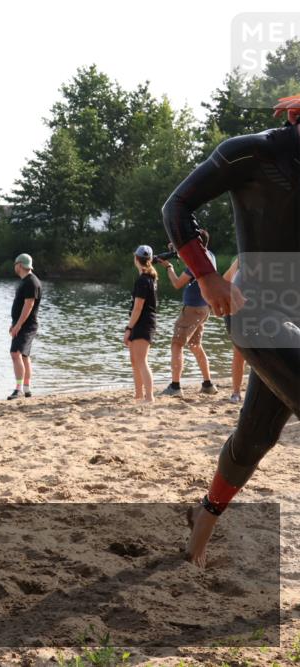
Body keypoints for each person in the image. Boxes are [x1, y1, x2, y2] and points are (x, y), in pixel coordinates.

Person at [162, 95, 299, 567]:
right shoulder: (251, 152)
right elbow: (177, 206)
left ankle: (203, 519)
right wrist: (207, 275)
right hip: (255, 311)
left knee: (253, 439)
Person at [157, 231, 218, 398]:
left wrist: (169, 267)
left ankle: (175, 387)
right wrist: (177, 251)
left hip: (192, 309)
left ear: (197, 243)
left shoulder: (197, 260)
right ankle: (208, 384)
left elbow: (177, 283)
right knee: (195, 345)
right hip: (204, 308)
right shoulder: (209, 255)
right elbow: (192, 267)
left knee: (177, 344)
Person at [125, 245, 158, 403]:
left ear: (136, 259)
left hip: (143, 323)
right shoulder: (148, 278)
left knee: (141, 360)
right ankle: (138, 395)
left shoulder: (144, 280)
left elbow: (138, 307)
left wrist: (129, 328)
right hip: (142, 322)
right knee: (134, 360)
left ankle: (149, 397)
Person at [8, 253, 41, 399]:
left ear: (20, 265)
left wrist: (18, 325)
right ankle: (26, 389)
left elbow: (29, 305)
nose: (14, 267)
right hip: (23, 324)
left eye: (15, 264)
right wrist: (13, 323)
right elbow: (21, 305)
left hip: (27, 326)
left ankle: (19, 389)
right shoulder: (26, 281)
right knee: (24, 355)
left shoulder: (31, 282)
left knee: (16, 353)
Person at [223, 258, 247, 403]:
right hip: (239, 313)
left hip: (261, 312)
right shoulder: (240, 260)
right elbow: (225, 279)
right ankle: (236, 392)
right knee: (239, 353)